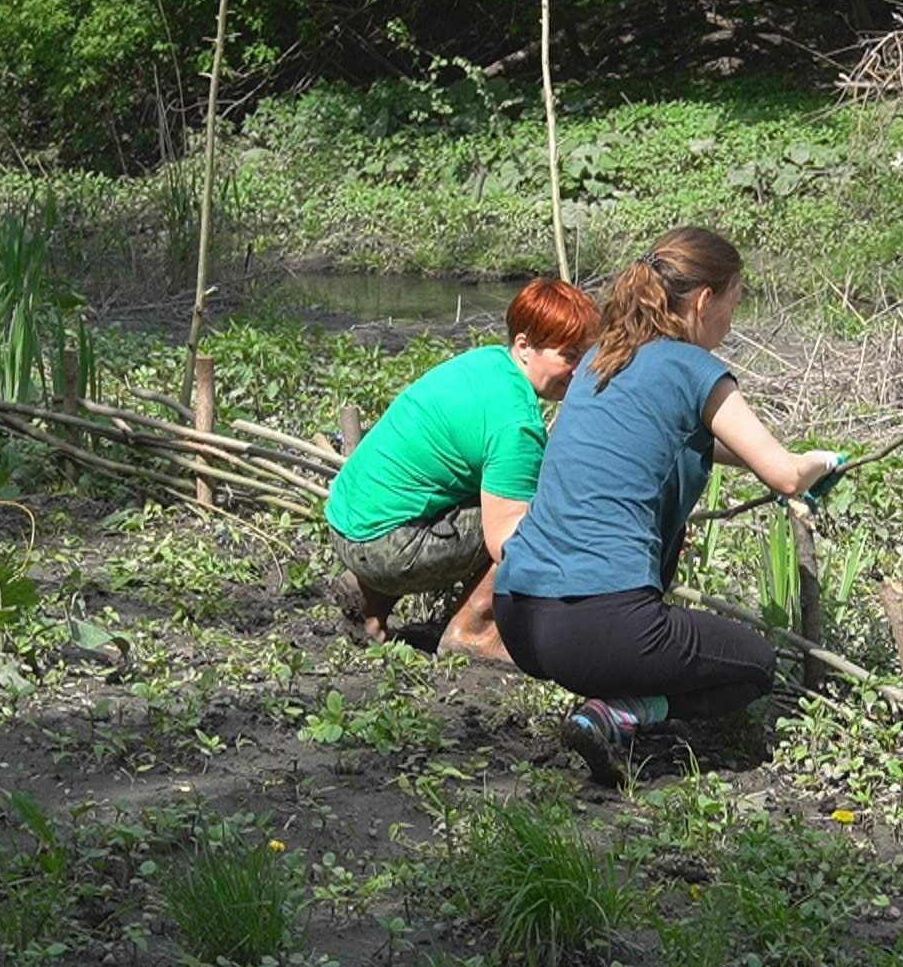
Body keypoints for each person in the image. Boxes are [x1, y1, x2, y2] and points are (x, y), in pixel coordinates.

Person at [495, 226, 843, 785]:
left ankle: (608, 691)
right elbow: (782, 473)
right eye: (734, 303)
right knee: (754, 664)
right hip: (596, 625)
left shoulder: (601, 359)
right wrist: (821, 462)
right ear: (705, 301)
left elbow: (676, 438)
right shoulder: (693, 368)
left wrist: (774, 459)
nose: (732, 321)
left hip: (518, 614)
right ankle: (616, 713)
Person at [326, 278, 599, 660]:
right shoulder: (516, 424)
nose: (579, 371)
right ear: (523, 346)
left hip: (347, 522)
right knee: (548, 516)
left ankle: (371, 601)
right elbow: (508, 541)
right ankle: (475, 630)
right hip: (381, 546)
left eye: (585, 357)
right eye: (569, 356)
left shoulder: (488, 362)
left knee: (490, 489)